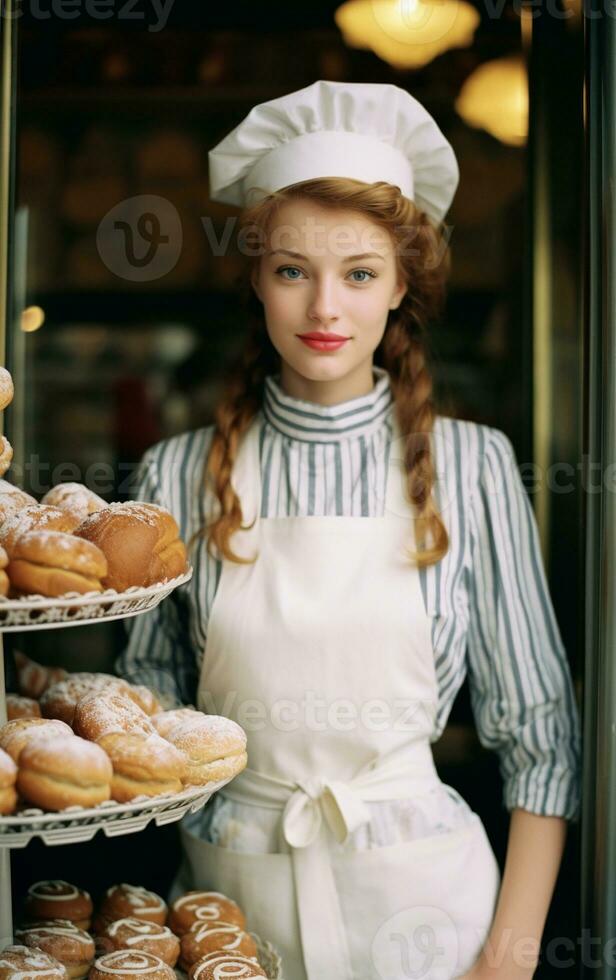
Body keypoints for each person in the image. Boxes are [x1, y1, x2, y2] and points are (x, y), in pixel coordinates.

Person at [116, 80, 581, 980]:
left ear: (403, 282)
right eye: (293, 270)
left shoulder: (475, 468)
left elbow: (542, 741)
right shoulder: (173, 475)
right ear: (256, 278)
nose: (325, 307)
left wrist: (509, 961)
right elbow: (148, 735)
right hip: (230, 917)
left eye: (360, 273)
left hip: (433, 921)